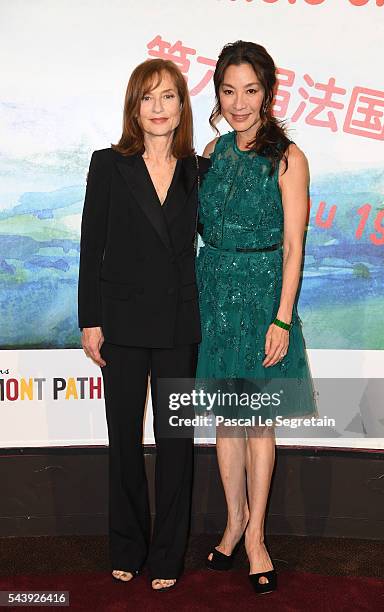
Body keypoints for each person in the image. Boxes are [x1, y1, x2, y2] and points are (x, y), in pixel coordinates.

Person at [78, 58, 210, 591]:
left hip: (180, 322)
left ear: (183, 106)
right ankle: (128, 547)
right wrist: (90, 319)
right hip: (123, 323)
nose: (158, 108)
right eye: (147, 98)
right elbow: (92, 246)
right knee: (124, 440)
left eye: (169, 97)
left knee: (176, 443)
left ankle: (168, 557)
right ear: (134, 107)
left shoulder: (200, 171)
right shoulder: (109, 164)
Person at [196, 41, 317, 594]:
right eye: (228, 90)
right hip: (214, 295)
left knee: (258, 421)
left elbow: (295, 245)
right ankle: (232, 520)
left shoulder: (289, 157)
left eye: (250, 90)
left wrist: (283, 319)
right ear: (217, 93)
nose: (238, 102)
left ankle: (257, 537)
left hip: (265, 296)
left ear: (268, 93)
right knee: (227, 418)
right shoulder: (212, 152)